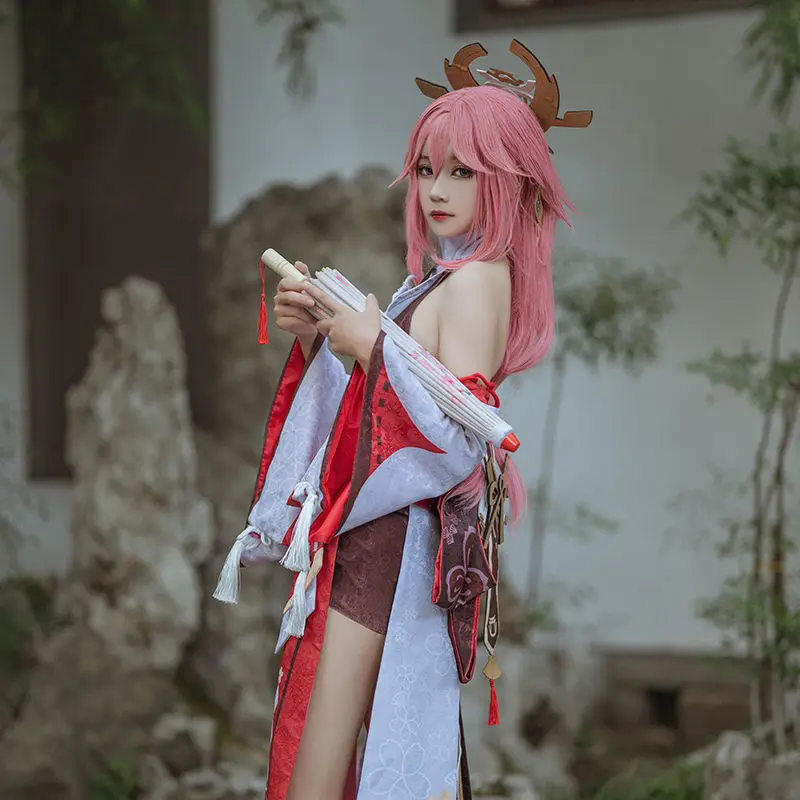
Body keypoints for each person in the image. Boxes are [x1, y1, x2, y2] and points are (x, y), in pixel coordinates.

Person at [213, 39, 592, 800]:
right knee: (322, 738)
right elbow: (402, 393)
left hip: (394, 545)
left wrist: (369, 347)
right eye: (425, 169)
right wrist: (323, 335)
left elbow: (458, 441)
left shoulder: (478, 281)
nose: (436, 190)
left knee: (324, 754)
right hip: (373, 535)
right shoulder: (441, 280)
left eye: (462, 171)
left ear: (507, 179)